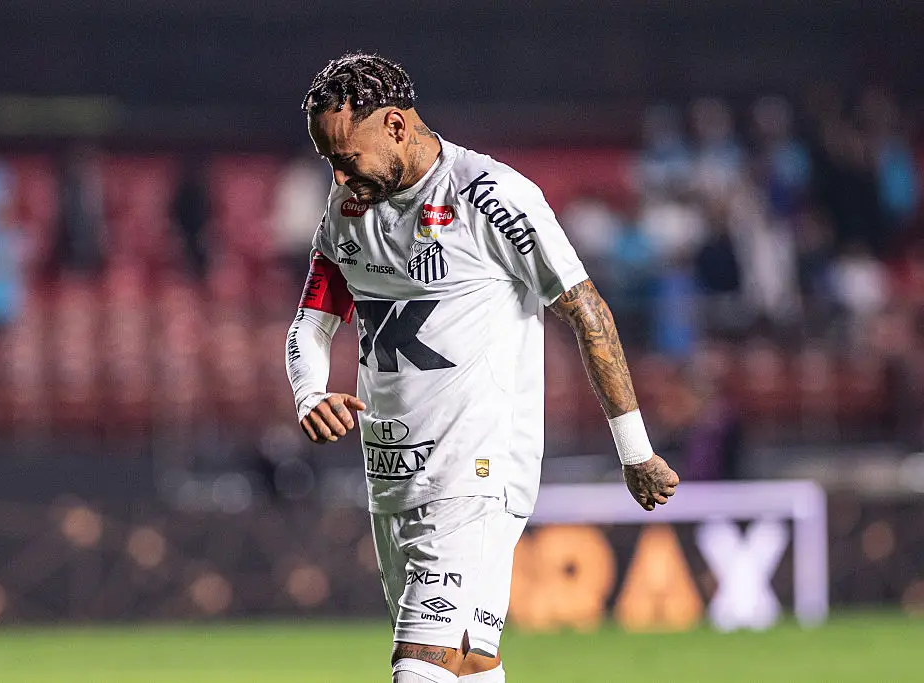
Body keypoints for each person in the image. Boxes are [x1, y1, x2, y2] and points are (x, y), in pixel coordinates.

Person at [285, 54, 679, 683]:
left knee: (421, 663)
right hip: (392, 473)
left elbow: (587, 312)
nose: (337, 174)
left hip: (475, 470)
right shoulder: (347, 211)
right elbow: (312, 321)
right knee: (468, 662)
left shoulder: (491, 198)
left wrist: (635, 451)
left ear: (392, 125)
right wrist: (309, 392)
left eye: (346, 156)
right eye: (327, 159)